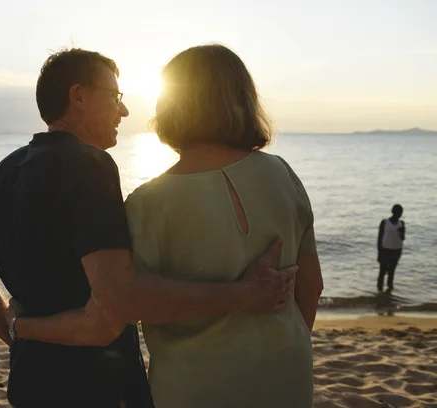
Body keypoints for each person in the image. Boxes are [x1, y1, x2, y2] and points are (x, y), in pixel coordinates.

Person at [0, 48, 297, 408]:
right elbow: (112, 309)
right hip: (95, 385)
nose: (124, 110)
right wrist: (245, 293)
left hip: (29, 381)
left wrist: (20, 334)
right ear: (79, 96)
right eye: (116, 97)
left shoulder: (6, 170)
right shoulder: (91, 165)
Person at [123, 44, 323, 408]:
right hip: (285, 369)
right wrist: (284, 346)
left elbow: (134, 304)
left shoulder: (146, 203)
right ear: (243, 99)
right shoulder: (283, 174)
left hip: (193, 383)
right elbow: (312, 286)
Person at [377, 204, 405, 292]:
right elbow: (380, 237)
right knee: (382, 271)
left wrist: (402, 231)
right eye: (398, 212)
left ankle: (389, 290)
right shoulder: (385, 222)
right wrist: (379, 252)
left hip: (396, 250)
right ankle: (379, 290)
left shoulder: (401, 223)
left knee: (392, 272)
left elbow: (402, 238)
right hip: (385, 249)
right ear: (393, 212)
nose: (399, 214)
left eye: (400, 212)